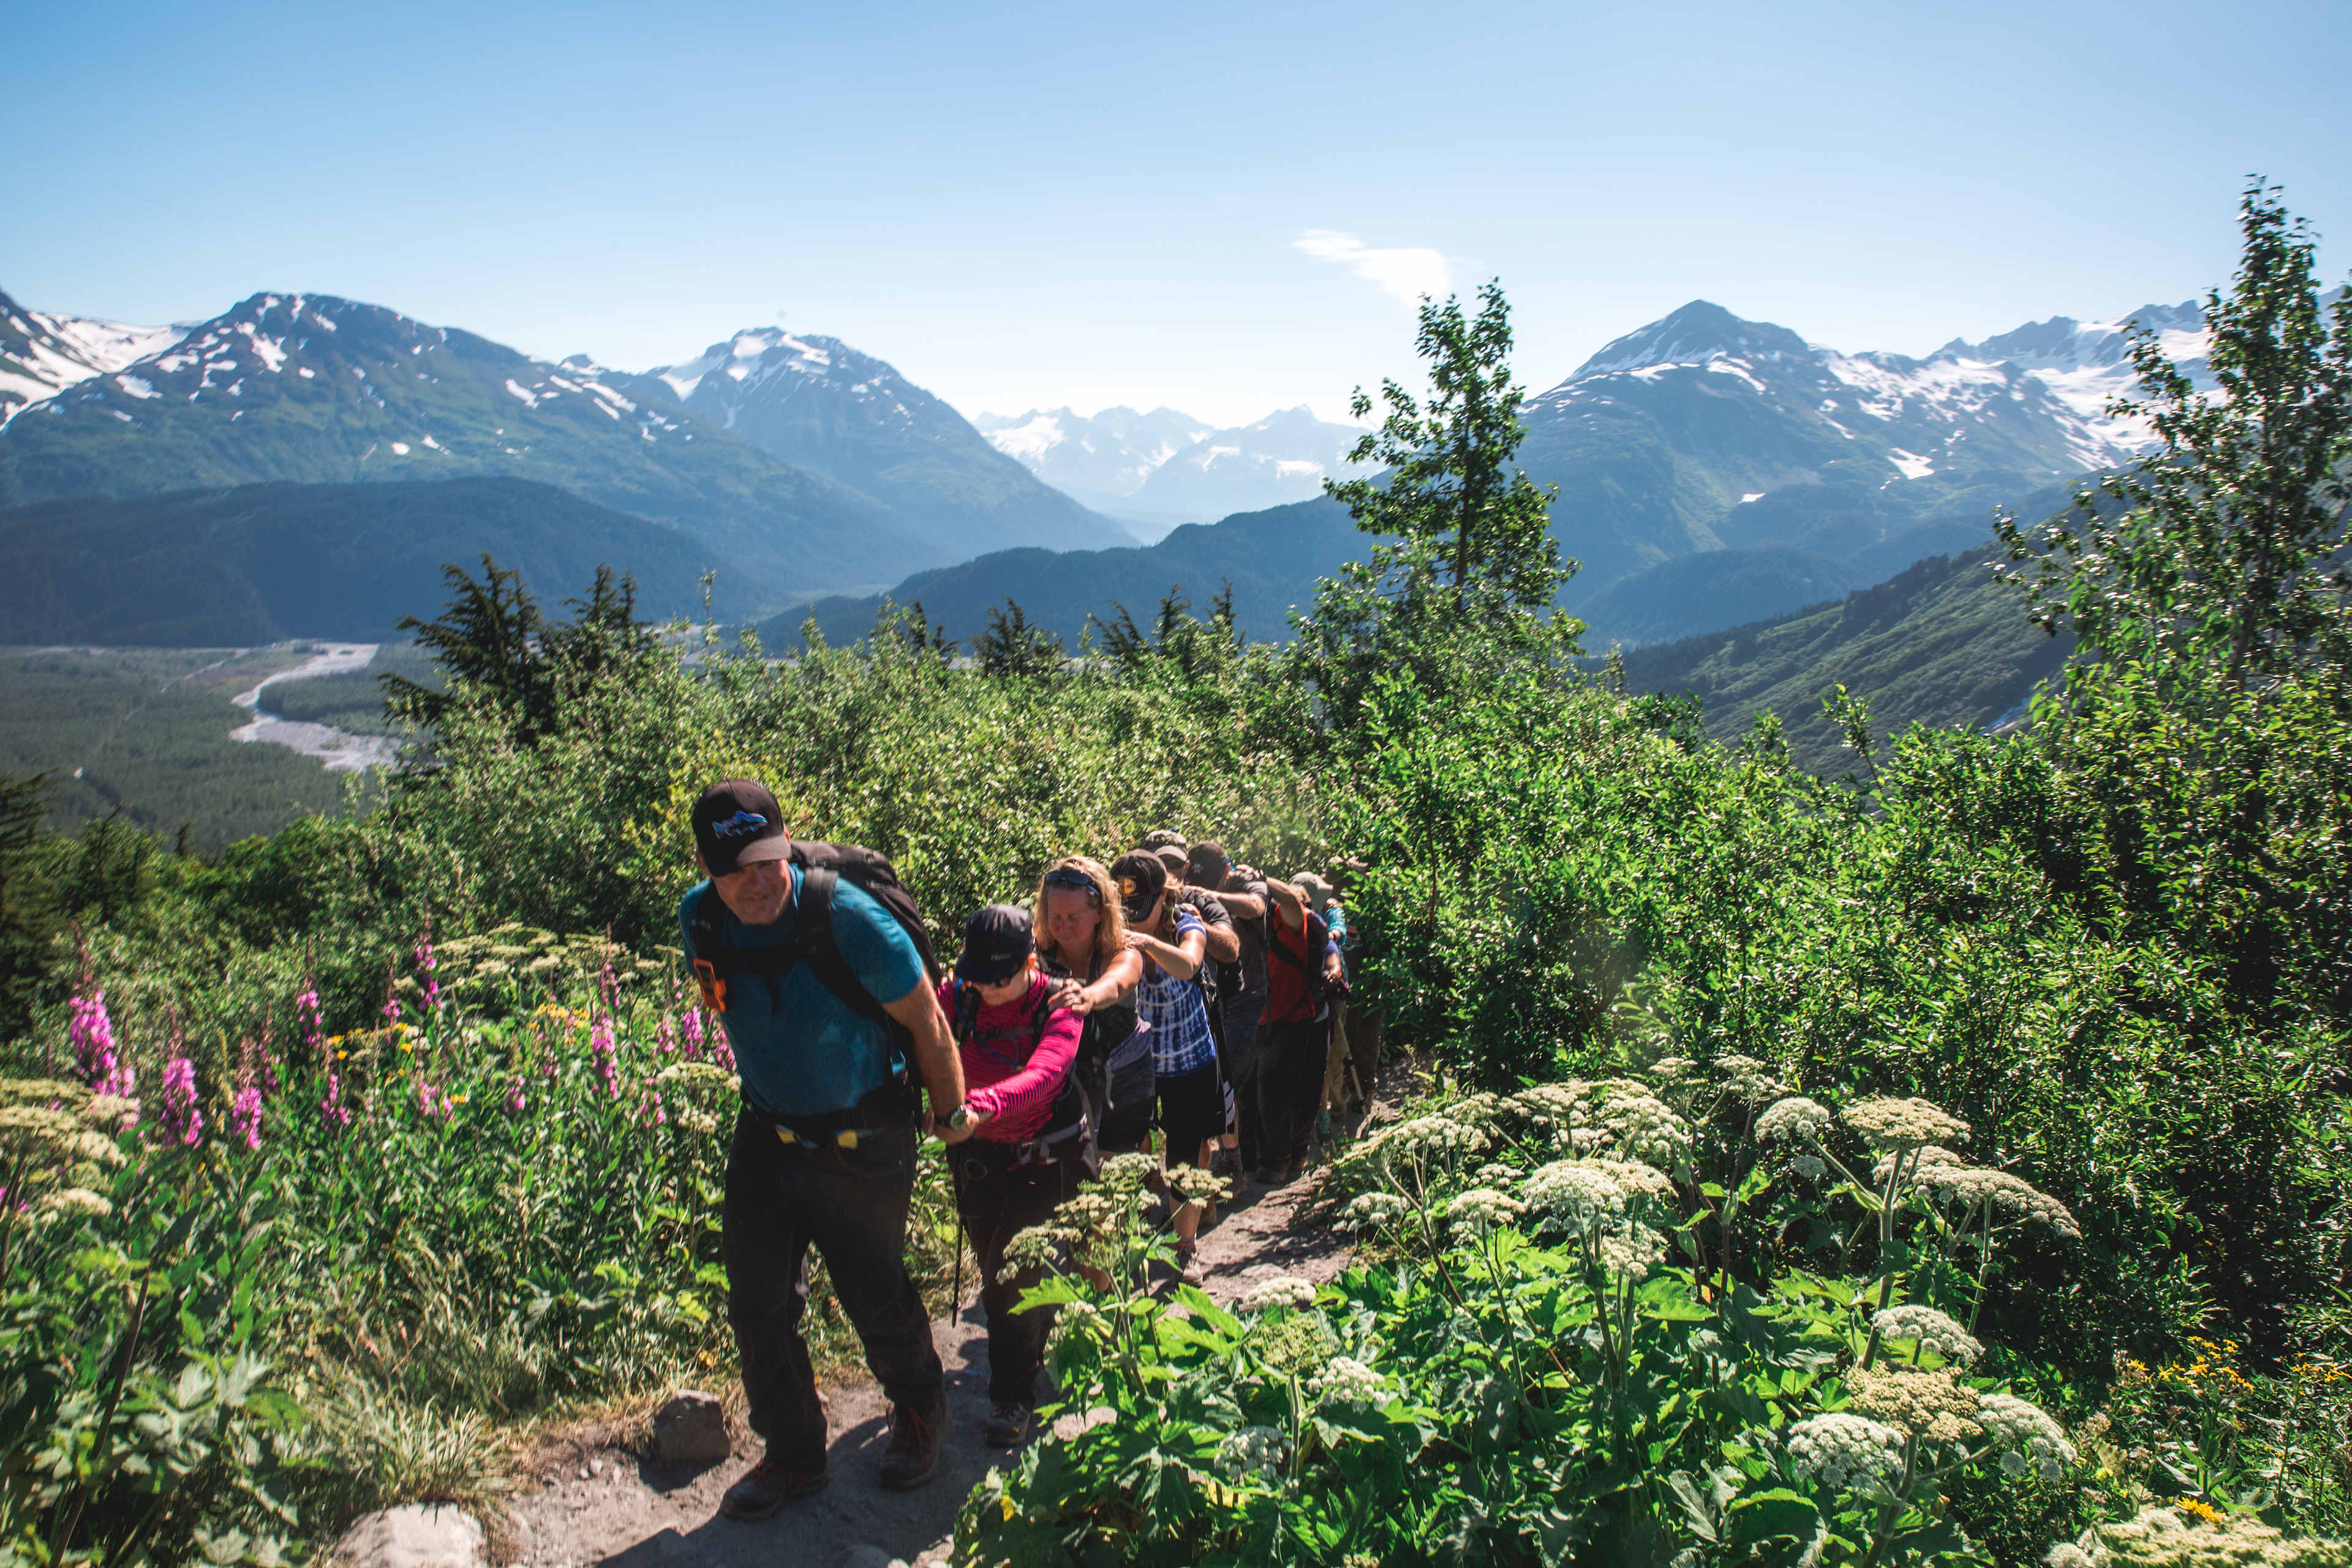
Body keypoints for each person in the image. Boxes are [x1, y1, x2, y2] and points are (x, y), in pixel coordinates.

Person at [678, 780, 968, 1518]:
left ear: (787, 845)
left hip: (863, 1137)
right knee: (758, 1305)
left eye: (769, 861)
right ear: (707, 867)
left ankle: (919, 1405)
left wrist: (950, 1109)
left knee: (872, 1289)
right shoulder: (701, 921)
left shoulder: (847, 916)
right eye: (737, 867)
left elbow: (929, 1021)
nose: (758, 881)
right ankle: (795, 1454)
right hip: (767, 1132)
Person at [937, 905, 1084, 1449]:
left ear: (1030, 961)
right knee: (997, 1269)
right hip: (979, 1157)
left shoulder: (1060, 1002)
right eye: (979, 976)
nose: (990, 989)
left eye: (1002, 978)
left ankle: (1012, 1398)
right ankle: (1042, 1333)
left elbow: (1047, 1074)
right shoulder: (960, 995)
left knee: (1008, 1278)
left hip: (1046, 1157)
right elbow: (917, 1033)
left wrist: (979, 1106)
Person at [1114, 850, 1223, 1272]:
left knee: (1185, 1152)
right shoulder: (1112, 933)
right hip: (1138, 1061)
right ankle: (1138, 1224)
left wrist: (1145, 943)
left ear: (1165, 898)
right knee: (1132, 1148)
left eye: (1141, 909)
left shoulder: (1186, 923)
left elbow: (1190, 965)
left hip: (1189, 1059)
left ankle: (1187, 1247)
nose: (1131, 918)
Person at [1033, 856, 1148, 1153]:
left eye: (1073, 918)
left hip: (1125, 1072)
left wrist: (1087, 997)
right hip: (1068, 1077)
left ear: (1099, 913)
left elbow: (1119, 982)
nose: (1063, 926)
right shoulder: (1037, 953)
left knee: (1114, 1164)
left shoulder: (1122, 951)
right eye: (1055, 917)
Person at [1187, 843, 1270, 1172]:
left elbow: (1255, 906)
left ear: (1226, 872)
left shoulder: (1243, 882)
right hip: (1218, 998)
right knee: (1225, 1079)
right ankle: (1229, 1158)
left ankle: (1227, 1162)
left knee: (1223, 1077)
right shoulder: (1189, 893)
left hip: (1248, 996)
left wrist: (1210, 896)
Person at [1256, 875, 1332, 1186]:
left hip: (1293, 1016)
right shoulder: (1278, 922)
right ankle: (1293, 1154)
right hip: (1295, 1016)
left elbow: (1289, 903)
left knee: (1277, 1092)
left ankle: (1277, 1162)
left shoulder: (1291, 921)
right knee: (1297, 1090)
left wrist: (1259, 877)